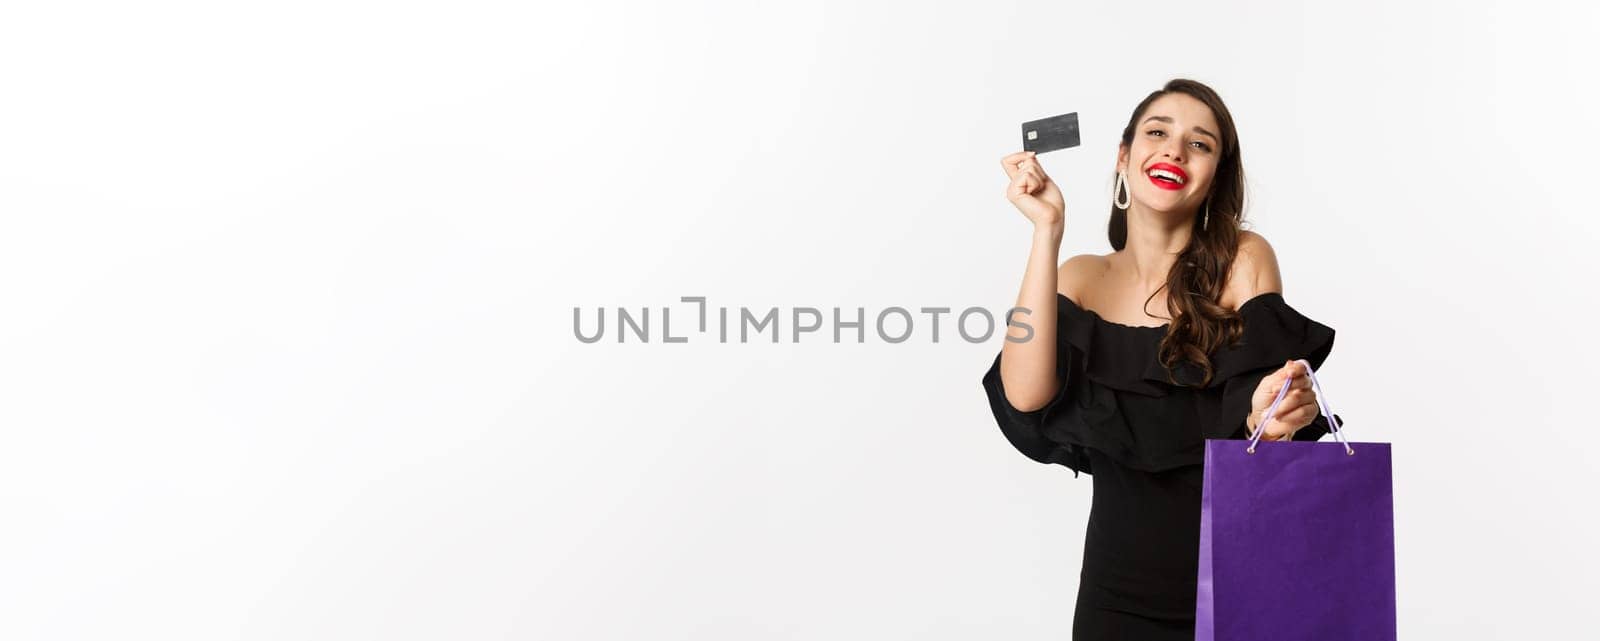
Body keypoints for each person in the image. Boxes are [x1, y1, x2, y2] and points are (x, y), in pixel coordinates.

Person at [979, 78, 1346, 640]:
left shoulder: (1244, 261)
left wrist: (1272, 410)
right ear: (1124, 157)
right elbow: (1025, 394)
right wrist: (1046, 231)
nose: (1175, 150)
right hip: (1114, 598)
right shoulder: (1081, 277)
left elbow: (1258, 416)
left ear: (1214, 177)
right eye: (1158, 133)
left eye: (1199, 144)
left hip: (1240, 582)